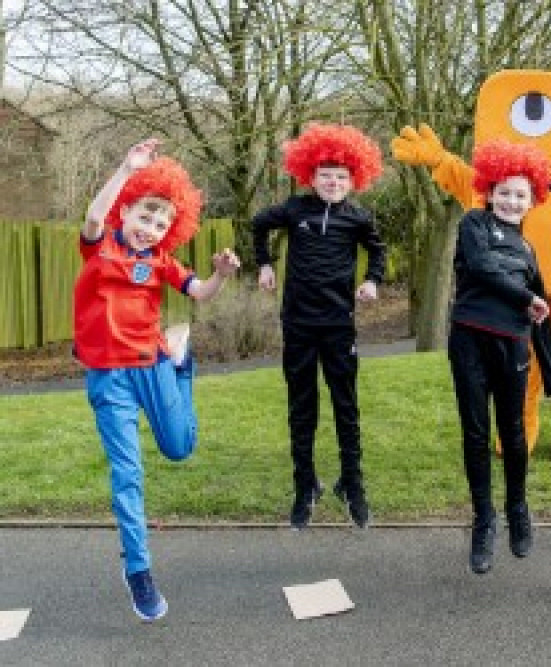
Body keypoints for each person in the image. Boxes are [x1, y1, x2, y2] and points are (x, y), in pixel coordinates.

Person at [74, 138, 240, 621]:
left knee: (179, 448)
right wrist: (126, 168)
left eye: (162, 223)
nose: (151, 228)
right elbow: (92, 213)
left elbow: (202, 294)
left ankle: (182, 364)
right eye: (145, 216)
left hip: (153, 363)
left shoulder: (162, 261)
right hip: (110, 379)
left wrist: (221, 275)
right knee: (128, 474)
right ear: (126, 211)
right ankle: (139, 572)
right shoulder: (99, 243)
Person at [253, 123, 386, 531]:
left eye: (342, 176)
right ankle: (304, 484)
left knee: (346, 407)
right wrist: (264, 264)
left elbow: (378, 251)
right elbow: (259, 222)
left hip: (338, 326)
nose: (333, 182)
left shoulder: (358, 219)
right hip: (298, 324)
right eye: (325, 175)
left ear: (354, 179)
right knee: (302, 408)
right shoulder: (295, 209)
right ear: (310, 176)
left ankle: (352, 483)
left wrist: (372, 280)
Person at [449, 139, 551, 574]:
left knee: (512, 432)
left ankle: (517, 509)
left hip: (512, 344)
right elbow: (480, 267)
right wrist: (524, 295)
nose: (513, 200)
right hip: (470, 338)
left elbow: (543, 311)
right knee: (476, 434)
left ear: (533, 200)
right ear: (490, 192)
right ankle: (484, 520)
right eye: (506, 192)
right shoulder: (474, 223)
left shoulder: (528, 250)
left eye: (521, 195)